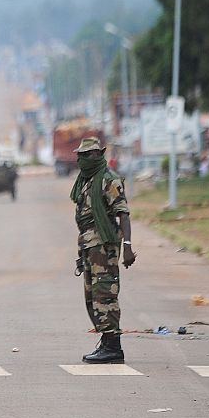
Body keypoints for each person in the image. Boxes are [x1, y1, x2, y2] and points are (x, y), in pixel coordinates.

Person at [70, 137, 136, 363]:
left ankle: (113, 347)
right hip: (89, 245)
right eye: (80, 155)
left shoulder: (109, 179)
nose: (82, 159)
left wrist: (127, 246)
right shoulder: (86, 180)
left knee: (105, 293)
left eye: (87, 155)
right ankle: (106, 343)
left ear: (98, 155)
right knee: (92, 295)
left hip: (104, 244)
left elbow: (123, 213)